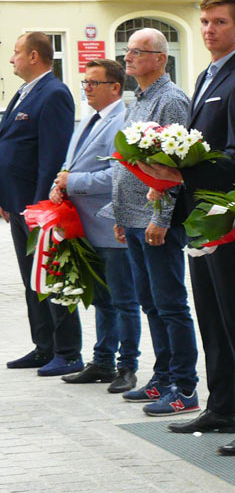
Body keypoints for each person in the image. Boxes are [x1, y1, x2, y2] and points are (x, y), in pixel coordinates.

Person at [141, 0, 235, 455]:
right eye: (204, 22)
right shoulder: (205, 75)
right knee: (212, 317)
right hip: (197, 217)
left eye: (219, 22)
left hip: (226, 217)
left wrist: (182, 172)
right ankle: (222, 407)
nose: (209, 30)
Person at [98, 28, 199, 414]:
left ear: (161, 58)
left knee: (170, 303)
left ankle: (184, 387)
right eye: (128, 52)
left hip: (157, 222)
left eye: (138, 52)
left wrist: (161, 216)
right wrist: (120, 214)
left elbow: (174, 165)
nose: (128, 58)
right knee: (150, 303)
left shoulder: (171, 101)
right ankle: (162, 378)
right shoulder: (136, 100)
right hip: (134, 218)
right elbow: (128, 162)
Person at [55, 59, 140, 394]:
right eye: (85, 83)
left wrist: (72, 181)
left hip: (111, 223)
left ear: (115, 88)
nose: (87, 88)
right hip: (85, 226)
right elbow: (71, 162)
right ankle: (102, 360)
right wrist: (59, 183)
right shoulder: (88, 118)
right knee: (102, 300)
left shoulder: (122, 120)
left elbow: (118, 174)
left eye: (94, 83)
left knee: (124, 300)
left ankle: (127, 365)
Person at [1, 32, 79, 376]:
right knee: (31, 279)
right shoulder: (23, 92)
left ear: (34, 56)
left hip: (38, 207)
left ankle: (67, 351)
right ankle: (43, 346)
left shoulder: (54, 93)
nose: (11, 59)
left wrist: (41, 206)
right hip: (17, 203)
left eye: (16, 53)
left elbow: (52, 154)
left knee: (52, 277)